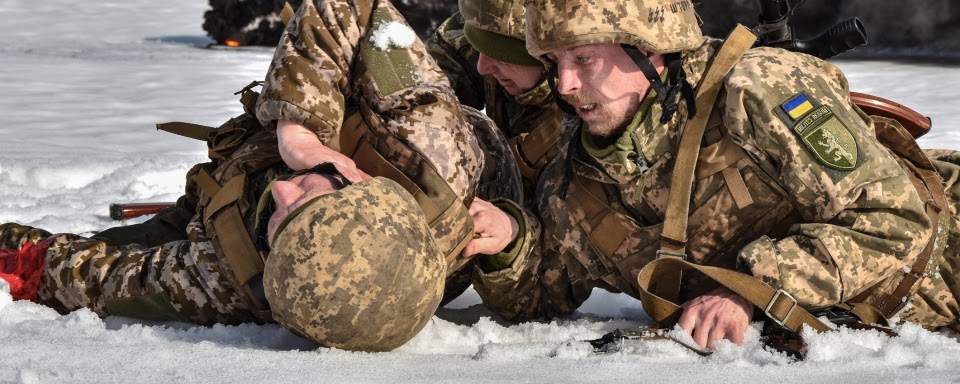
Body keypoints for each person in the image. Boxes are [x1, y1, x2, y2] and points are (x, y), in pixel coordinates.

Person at [0, 0, 502, 352]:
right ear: (358, 182)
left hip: (222, 210)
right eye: (308, 193)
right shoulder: (427, 145)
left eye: (276, 228)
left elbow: (103, 280)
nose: (282, 188)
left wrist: (18, 255)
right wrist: (301, 131)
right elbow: (349, 7)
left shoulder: (232, 279)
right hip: (461, 132)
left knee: (129, 247)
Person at [462, 0, 960, 349]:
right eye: (553, 62)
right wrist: (509, 240)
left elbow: (890, 217)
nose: (566, 84)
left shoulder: (754, 91)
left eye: (584, 57)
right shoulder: (576, 181)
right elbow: (543, 292)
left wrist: (750, 287)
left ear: (650, 47)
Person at [427, 0, 564, 203]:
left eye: (502, 57)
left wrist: (515, 224)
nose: (483, 67)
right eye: (480, 47)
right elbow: (442, 62)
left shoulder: (603, 117)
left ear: (551, 57)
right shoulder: (494, 19)